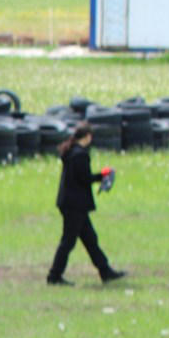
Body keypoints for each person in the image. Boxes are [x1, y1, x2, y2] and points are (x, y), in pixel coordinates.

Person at [47, 122, 123, 286]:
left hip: (70, 203)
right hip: (75, 205)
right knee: (68, 242)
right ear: (87, 137)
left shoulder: (71, 152)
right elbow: (84, 178)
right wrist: (102, 175)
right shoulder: (80, 155)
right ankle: (54, 276)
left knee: (90, 239)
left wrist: (99, 175)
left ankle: (105, 271)